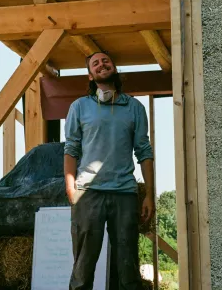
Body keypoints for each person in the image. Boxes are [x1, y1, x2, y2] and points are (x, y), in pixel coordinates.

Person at [64, 51, 154, 290]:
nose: (101, 64)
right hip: (88, 194)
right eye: (95, 63)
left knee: (128, 269)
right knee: (83, 268)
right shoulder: (79, 107)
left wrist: (148, 194)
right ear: (91, 76)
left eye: (106, 61)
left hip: (124, 193)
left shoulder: (135, 107)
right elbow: (71, 149)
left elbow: (144, 151)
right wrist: (70, 186)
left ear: (114, 68)